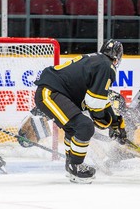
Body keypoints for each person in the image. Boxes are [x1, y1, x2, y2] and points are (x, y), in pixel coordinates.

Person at [34, 39, 126, 183]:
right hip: (51, 93)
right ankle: (76, 166)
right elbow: (95, 103)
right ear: (117, 58)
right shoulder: (107, 67)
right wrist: (105, 121)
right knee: (84, 126)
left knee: (74, 128)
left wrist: (115, 122)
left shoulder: (97, 61)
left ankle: (72, 164)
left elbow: (100, 100)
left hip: (51, 91)